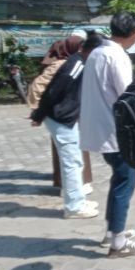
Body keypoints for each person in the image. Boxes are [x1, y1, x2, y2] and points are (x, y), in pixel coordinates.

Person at [79, 11, 135, 256]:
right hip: (115, 131)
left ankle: (112, 231)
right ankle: (118, 241)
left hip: (97, 128)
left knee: (118, 179)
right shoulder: (117, 56)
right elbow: (127, 96)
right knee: (125, 182)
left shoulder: (97, 52)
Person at [30, 31, 103, 219]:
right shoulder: (77, 64)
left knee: (74, 161)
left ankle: (77, 199)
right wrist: (39, 114)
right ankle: (74, 207)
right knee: (72, 162)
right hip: (60, 118)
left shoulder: (81, 61)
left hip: (63, 117)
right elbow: (53, 90)